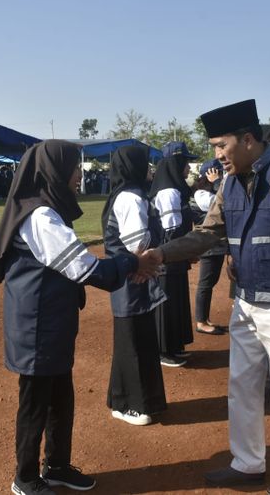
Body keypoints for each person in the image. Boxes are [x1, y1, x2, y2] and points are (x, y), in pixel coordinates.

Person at [146, 100, 270, 494]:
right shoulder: (229, 183)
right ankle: (248, 463)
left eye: (221, 145)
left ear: (248, 139)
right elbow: (208, 233)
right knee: (242, 387)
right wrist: (161, 253)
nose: (216, 155)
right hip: (246, 303)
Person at [0, 140, 158, 495]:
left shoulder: (47, 210)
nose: (79, 175)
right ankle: (25, 477)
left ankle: (58, 466)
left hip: (51, 323)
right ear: (55, 172)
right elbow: (84, 268)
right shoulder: (39, 216)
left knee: (60, 396)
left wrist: (128, 265)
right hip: (37, 327)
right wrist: (132, 263)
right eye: (73, 169)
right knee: (35, 403)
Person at [101, 145, 168, 426]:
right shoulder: (130, 197)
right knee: (133, 342)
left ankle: (122, 399)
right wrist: (149, 265)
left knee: (133, 340)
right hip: (133, 278)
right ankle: (133, 405)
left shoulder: (128, 195)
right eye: (146, 164)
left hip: (130, 278)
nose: (150, 170)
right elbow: (138, 245)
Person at [149, 141, 197, 367]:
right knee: (167, 302)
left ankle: (174, 345)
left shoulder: (175, 189)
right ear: (176, 163)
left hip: (175, 256)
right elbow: (170, 229)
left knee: (176, 299)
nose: (188, 167)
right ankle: (162, 350)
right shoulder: (168, 192)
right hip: (168, 257)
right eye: (186, 162)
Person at [190, 159, 228, 335]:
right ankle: (200, 322)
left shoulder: (208, 191)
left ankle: (204, 318)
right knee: (205, 283)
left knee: (210, 282)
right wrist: (218, 183)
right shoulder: (201, 194)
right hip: (208, 245)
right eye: (219, 173)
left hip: (216, 244)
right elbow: (224, 202)